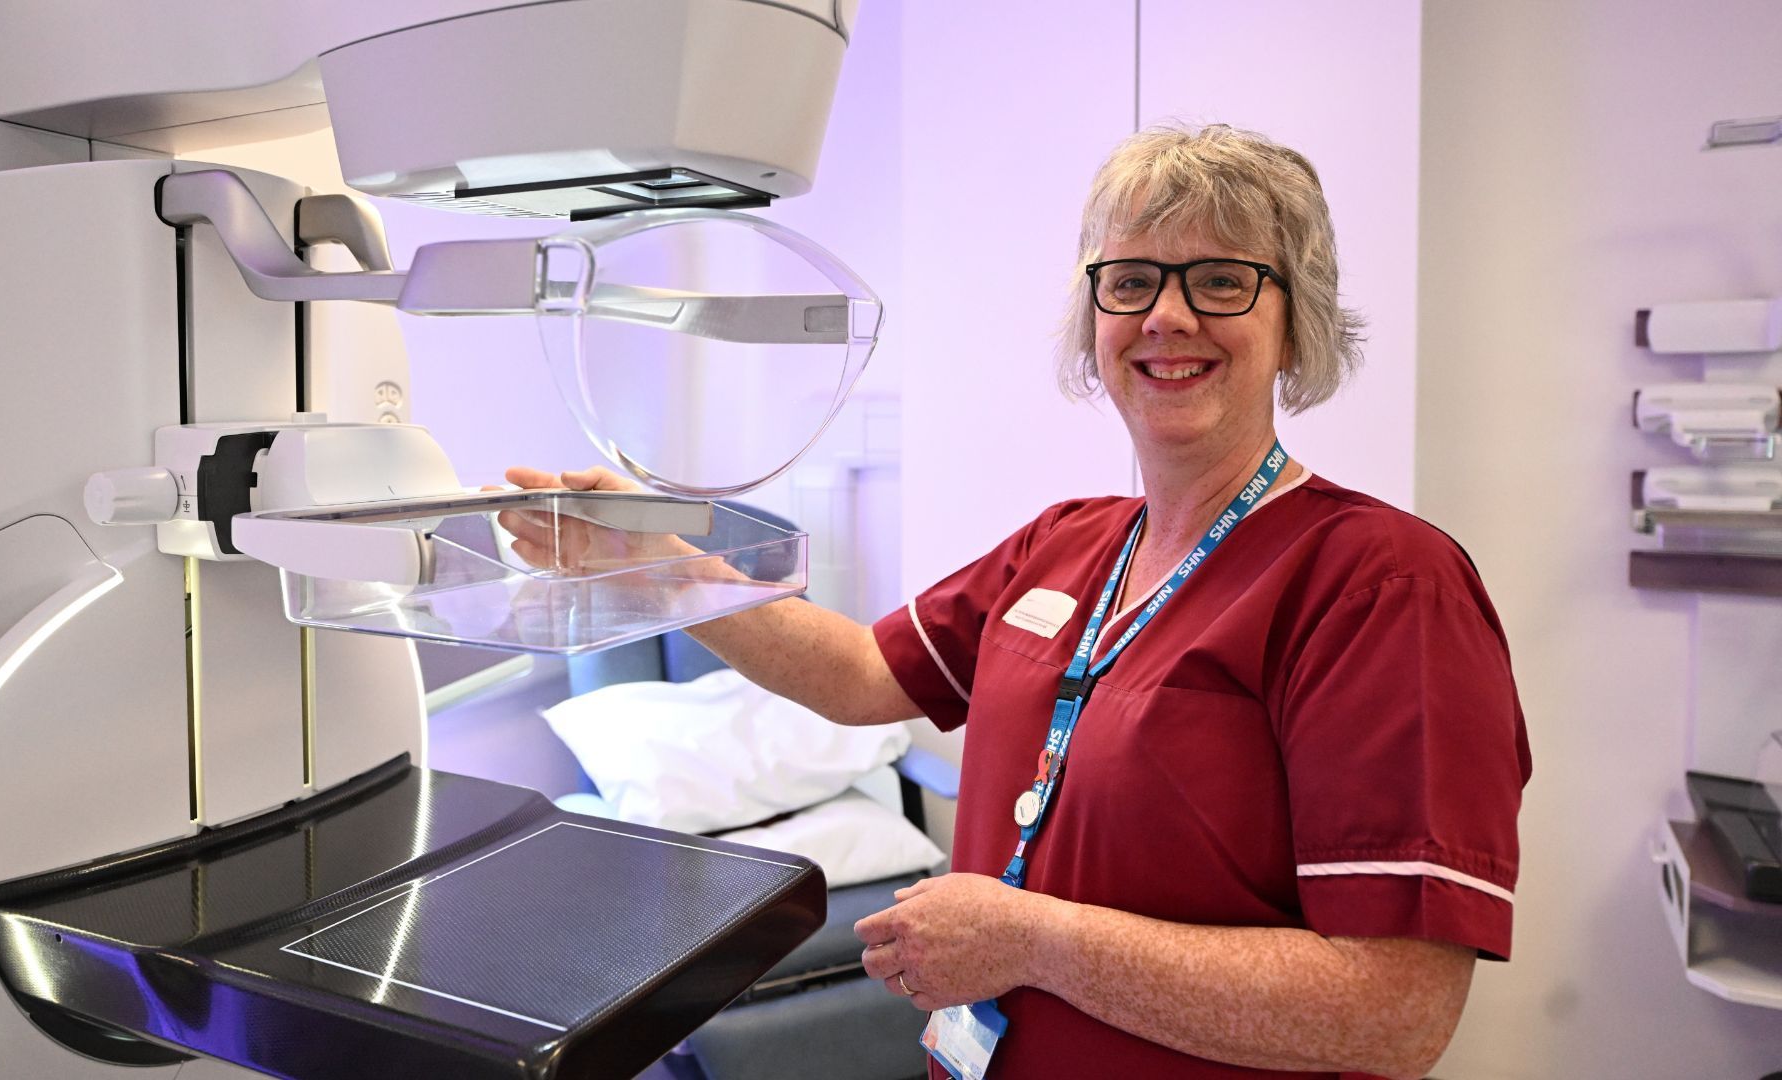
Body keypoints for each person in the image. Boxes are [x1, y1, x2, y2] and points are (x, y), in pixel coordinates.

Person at [506, 124, 1529, 1080]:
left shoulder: (1379, 586)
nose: (1167, 315)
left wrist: (1031, 940)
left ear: (1295, 323)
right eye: (1130, 281)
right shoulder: (1066, 544)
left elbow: (1395, 1010)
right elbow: (863, 676)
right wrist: (654, 568)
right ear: (1093, 324)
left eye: (1221, 280)